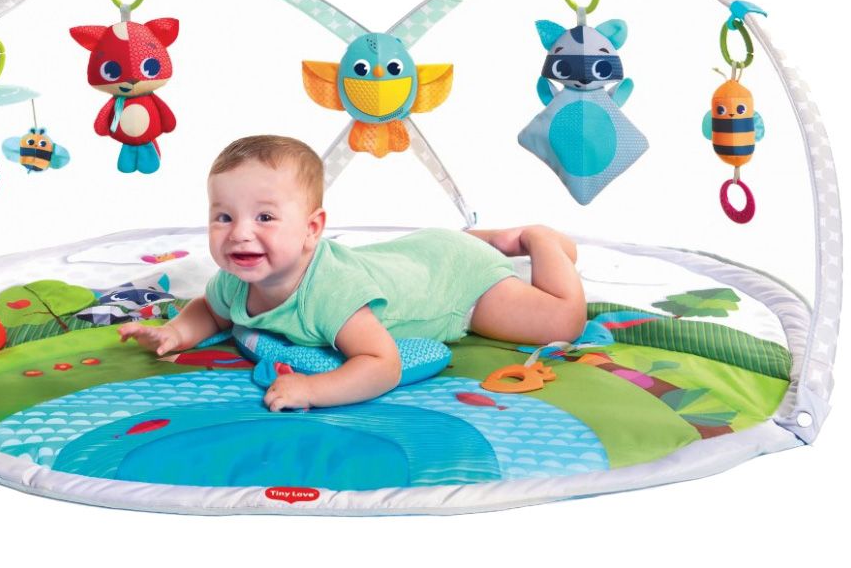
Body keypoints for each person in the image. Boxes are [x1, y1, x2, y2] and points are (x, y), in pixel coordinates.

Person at [119, 135, 585, 411]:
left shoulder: (332, 293)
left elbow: (383, 363)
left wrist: (313, 389)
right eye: (223, 217)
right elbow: (212, 310)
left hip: (454, 283)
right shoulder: (237, 279)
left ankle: (536, 240)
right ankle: (488, 238)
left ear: (311, 229)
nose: (239, 234)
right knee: (429, 252)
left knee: (561, 323)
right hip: (419, 252)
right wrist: (175, 333)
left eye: (264, 217)